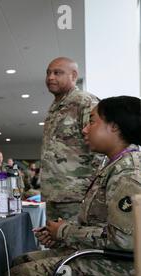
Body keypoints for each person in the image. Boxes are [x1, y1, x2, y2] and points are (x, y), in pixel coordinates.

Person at [8, 96, 141, 276]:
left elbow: (124, 241)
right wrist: (62, 231)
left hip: (119, 272)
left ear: (114, 126)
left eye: (92, 121)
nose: (85, 129)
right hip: (103, 257)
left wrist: (64, 232)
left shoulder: (128, 172)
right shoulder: (114, 165)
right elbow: (100, 222)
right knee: (19, 261)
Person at [41, 57, 102, 220]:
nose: (50, 77)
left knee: (77, 244)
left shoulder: (84, 102)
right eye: (48, 73)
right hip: (54, 196)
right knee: (58, 244)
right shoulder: (54, 108)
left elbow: (101, 148)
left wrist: (91, 190)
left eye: (57, 73)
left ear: (73, 76)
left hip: (77, 197)